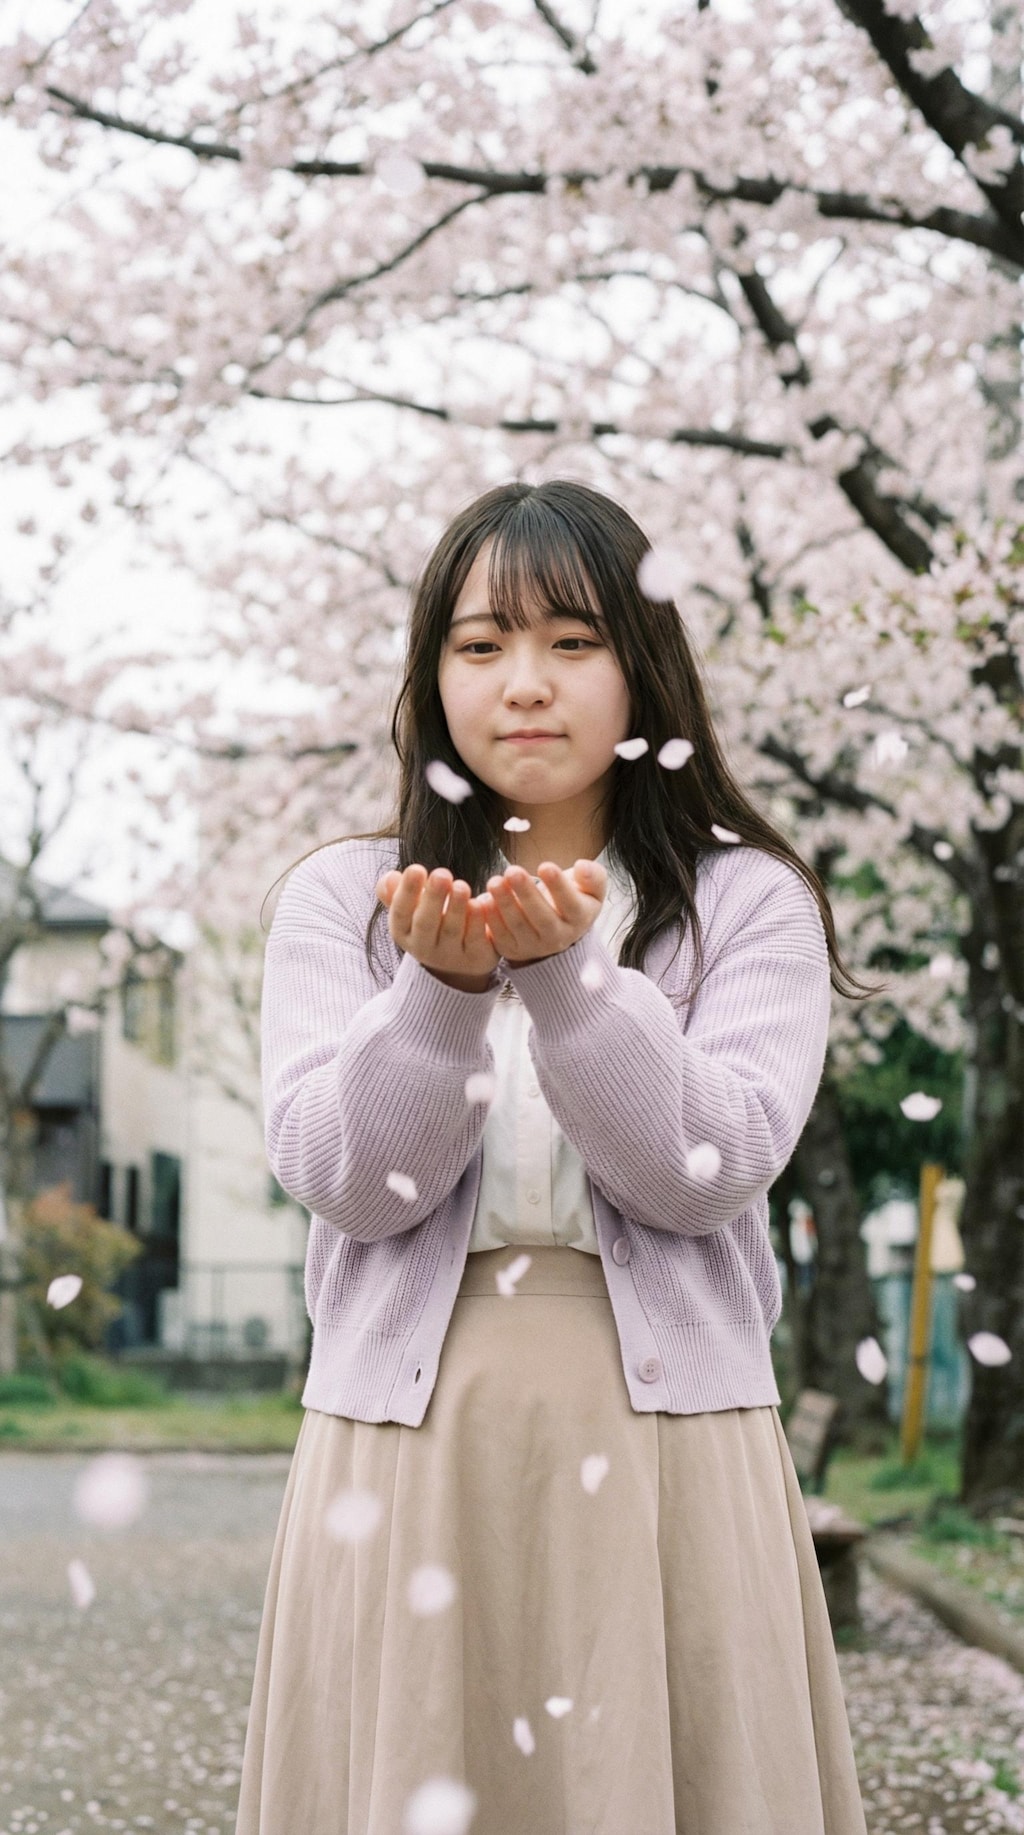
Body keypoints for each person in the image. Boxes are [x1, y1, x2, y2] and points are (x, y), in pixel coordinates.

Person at [235, 479, 871, 1835]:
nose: (526, 683)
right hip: (407, 1443)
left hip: (671, 1445)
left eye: (574, 642)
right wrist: (441, 997)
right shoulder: (344, 902)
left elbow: (712, 1165)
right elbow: (341, 1174)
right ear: (432, 678)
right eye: (481, 646)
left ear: (645, 665)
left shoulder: (745, 900)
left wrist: (568, 982)